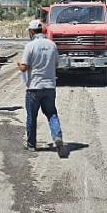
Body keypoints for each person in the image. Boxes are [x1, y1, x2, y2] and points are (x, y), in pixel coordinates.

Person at [17, 20, 68, 158]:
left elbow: (24, 67)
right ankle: (57, 137)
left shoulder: (30, 46)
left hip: (34, 87)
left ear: (32, 31)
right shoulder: (52, 45)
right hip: (50, 87)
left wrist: (19, 65)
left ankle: (32, 145)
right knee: (52, 113)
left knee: (32, 117)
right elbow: (57, 64)